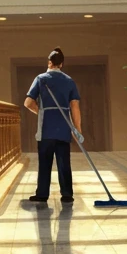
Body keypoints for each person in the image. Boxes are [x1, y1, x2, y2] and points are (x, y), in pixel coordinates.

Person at [23, 48, 82, 204]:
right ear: (61, 64)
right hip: (64, 128)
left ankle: (42, 194)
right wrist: (77, 130)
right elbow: (75, 107)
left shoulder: (41, 79)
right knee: (64, 161)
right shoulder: (69, 81)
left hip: (46, 129)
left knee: (44, 162)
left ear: (49, 62)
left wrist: (41, 112)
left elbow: (28, 103)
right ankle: (67, 194)